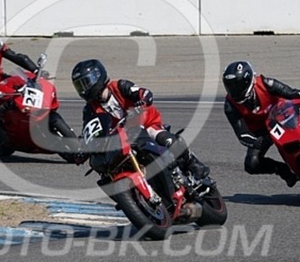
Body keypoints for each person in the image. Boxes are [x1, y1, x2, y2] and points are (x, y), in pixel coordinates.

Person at [71, 59, 210, 183]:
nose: (83, 89)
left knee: (166, 140)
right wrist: (83, 148)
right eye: (79, 86)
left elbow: (144, 92)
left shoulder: (119, 86)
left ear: (98, 76)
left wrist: (142, 100)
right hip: (122, 138)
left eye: (85, 83)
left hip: (146, 124)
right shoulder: (89, 109)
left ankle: (193, 163)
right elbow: (89, 130)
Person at [222, 60, 300, 187]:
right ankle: (284, 171)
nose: (234, 89)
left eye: (237, 84)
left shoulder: (266, 83)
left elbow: (292, 93)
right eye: (230, 85)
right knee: (251, 164)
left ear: (249, 80)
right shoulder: (230, 105)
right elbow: (242, 134)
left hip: (285, 114)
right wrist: (255, 141)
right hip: (263, 132)